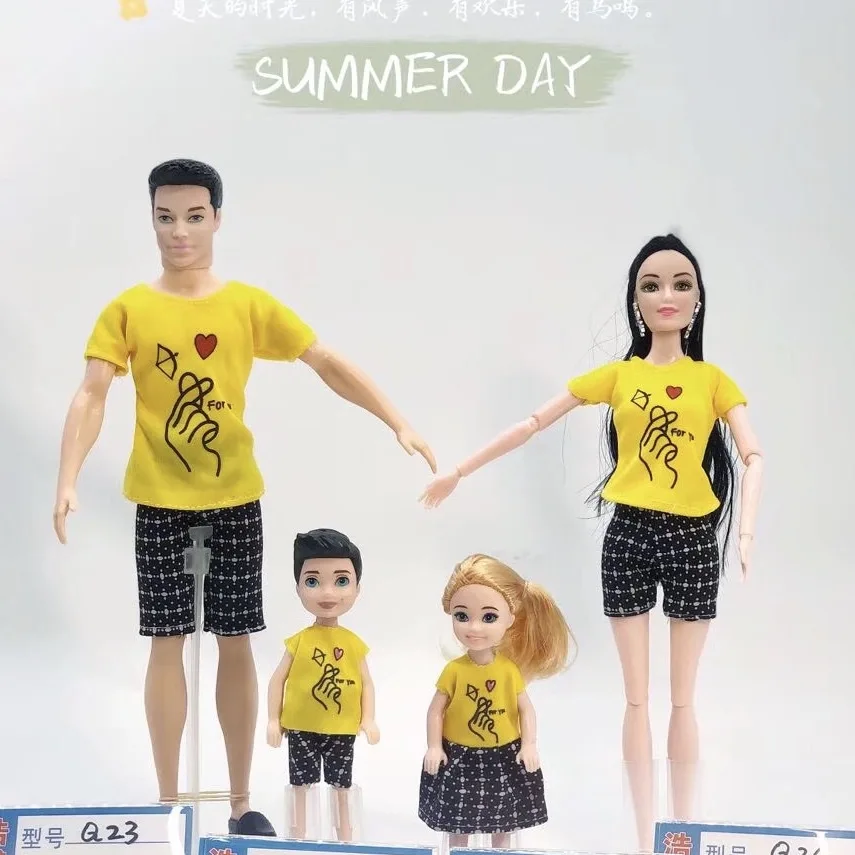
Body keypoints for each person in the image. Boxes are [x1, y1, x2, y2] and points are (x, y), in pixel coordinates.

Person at [53, 158, 435, 836]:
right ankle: (167, 802)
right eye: (165, 216)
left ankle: (238, 801)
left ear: (217, 219)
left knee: (236, 641)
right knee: (165, 642)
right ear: (151, 220)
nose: (180, 231)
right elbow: (92, 392)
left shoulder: (246, 305)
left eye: (194, 216)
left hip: (235, 500)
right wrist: (67, 477)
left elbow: (324, 360)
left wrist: (396, 419)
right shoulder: (128, 309)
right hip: (159, 501)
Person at [418, 234, 764, 851]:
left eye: (681, 283)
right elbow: (532, 423)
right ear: (635, 300)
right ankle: (642, 836)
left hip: (692, 536)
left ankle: (682, 835)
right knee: (636, 700)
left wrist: (746, 526)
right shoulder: (619, 376)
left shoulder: (712, 380)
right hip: (628, 532)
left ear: (698, 299)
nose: (666, 295)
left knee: (683, 700)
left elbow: (753, 453)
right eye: (651, 284)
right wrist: (460, 471)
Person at [419, 553, 574, 847]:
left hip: (503, 755)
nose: (474, 627)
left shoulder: (507, 671)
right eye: (462, 616)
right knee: (458, 823)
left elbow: (525, 710)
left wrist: (529, 744)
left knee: (504, 821)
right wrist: (434, 746)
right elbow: (435, 711)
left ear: (510, 619)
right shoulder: (454, 671)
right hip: (459, 755)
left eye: (489, 617)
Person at [266, 528, 378, 841]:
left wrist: (369, 719)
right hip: (300, 726)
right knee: (300, 783)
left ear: (357, 588)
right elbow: (277, 679)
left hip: (342, 727)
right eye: (313, 581)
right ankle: (298, 833)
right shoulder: (299, 641)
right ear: (298, 587)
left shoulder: (353, 644)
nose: (327, 593)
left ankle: (345, 835)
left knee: (342, 784)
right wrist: (273, 719)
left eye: (341, 581)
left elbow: (367, 683)